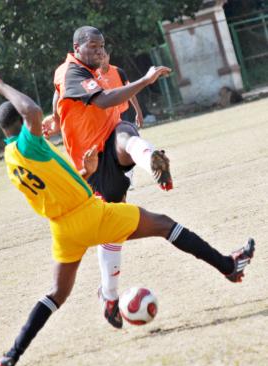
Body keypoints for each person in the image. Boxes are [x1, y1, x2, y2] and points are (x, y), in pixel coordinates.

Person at [0, 69, 255, 366]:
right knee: (164, 224)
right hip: (89, 215)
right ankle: (229, 267)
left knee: (56, 294)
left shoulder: (10, 159)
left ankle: (11, 355)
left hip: (62, 230)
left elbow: (56, 187)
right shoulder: (27, 144)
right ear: (20, 124)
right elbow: (31, 110)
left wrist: (85, 171)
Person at [42, 26, 173, 329]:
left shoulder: (104, 70)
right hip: (92, 160)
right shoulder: (71, 72)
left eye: (102, 46)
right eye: (93, 46)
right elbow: (91, 98)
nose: (99, 51)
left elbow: (112, 97)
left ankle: (151, 158)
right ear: (76, 47)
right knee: (110, 228)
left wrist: (56, 119)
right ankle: (109, 295)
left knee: (126, 131)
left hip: (111, 143)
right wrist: (146, 80)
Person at [99, 49, 144, 128]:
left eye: (104, 56)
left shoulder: (119, 71)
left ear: (108, 56)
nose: (102, 60)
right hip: (106, 116)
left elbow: (130, 92)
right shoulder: (94, 76)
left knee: (125, 136)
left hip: (122, 113)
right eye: (99, 58)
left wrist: (138, 111)